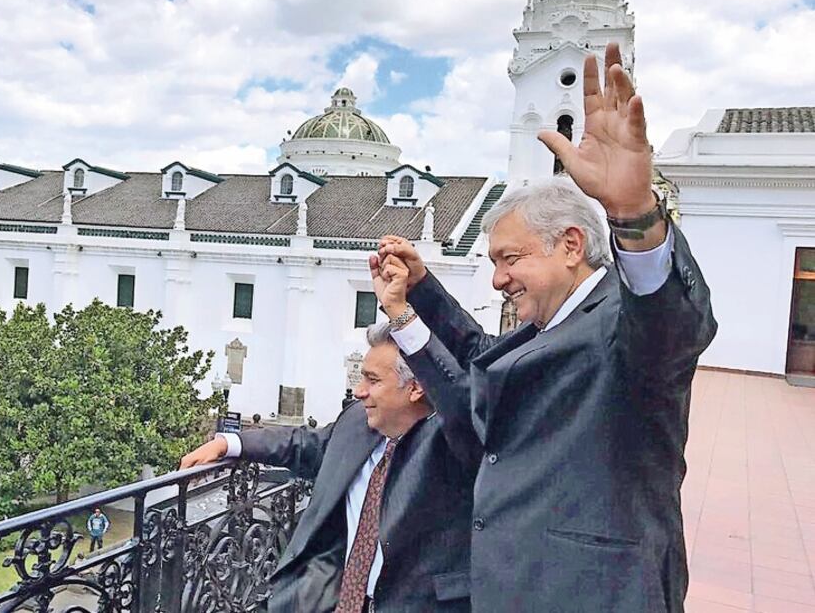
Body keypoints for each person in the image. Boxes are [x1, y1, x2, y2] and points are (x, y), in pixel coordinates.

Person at [372, 43, 717, 612]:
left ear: (571, 245)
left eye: (510, 260)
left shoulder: (623, 322)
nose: (498, 281)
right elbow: (485, 354)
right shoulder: (553, 320)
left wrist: (635, 214)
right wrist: (422, 289)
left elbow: (673, 326)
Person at [179, 324, 479, 612]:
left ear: (414, 389)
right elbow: (304, 443)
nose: (359, 391)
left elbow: (463, 401)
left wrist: (405, 312)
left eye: (373, 381)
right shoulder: (356, 423)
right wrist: (230, 444)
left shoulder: (452, 445)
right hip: (337, 600)